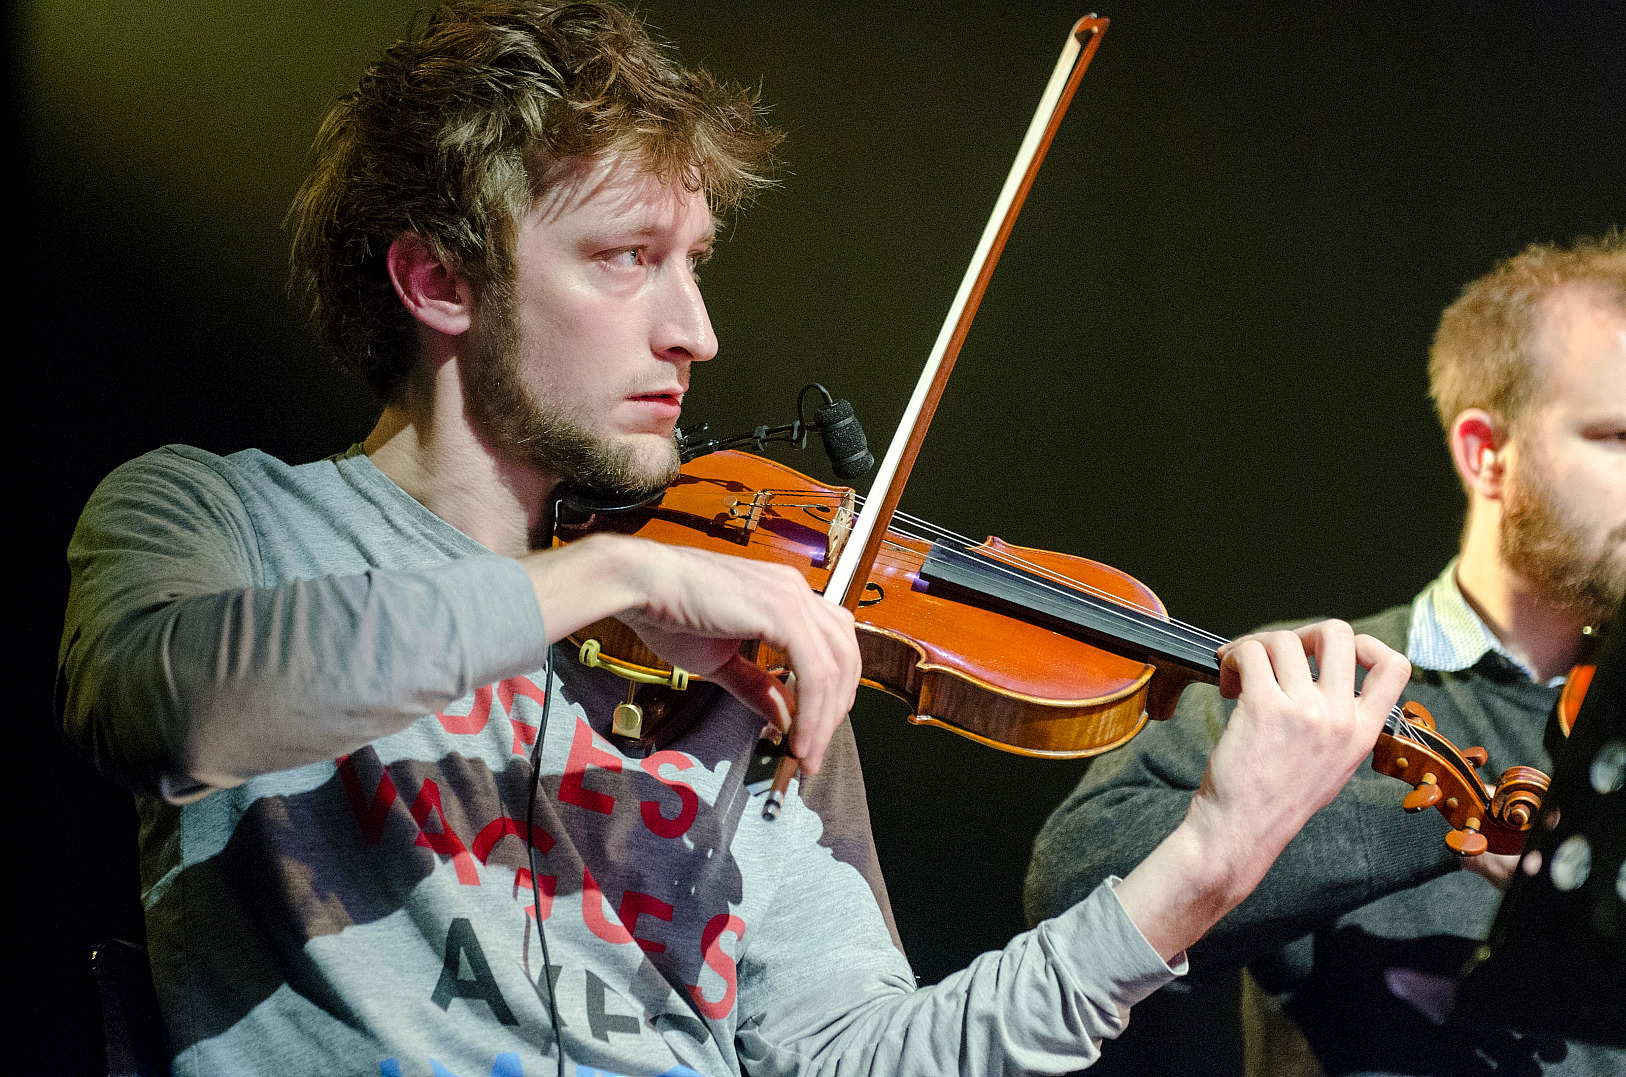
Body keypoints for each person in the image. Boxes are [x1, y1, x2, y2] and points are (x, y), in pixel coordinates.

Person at [58, 4, 1409, 1075]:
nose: (694, 330)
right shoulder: (223, 518)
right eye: (625, 257)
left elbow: (859, 1057)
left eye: (695, 260)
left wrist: (1199, 869)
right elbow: (167, 704)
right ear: (436, 279)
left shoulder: (752, 640)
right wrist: (612, 572)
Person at [1025, 232, 1626, 1076]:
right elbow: (1071, 885)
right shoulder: (1321, 683)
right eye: (1618, 437)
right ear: (1489, 455)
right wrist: (1440, 821)